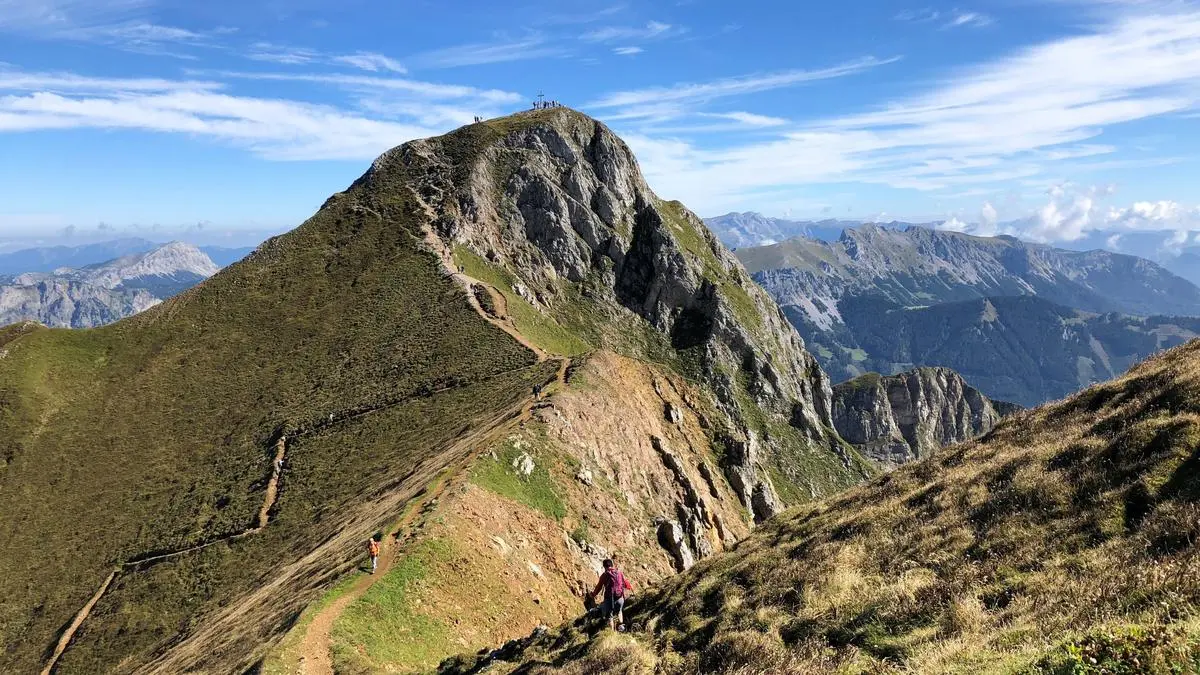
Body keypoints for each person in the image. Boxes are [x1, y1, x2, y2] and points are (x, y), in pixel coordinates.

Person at [589, 558, 633, 631]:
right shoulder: (619, 572)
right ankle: (621, 628)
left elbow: (599, 587)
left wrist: (593, 594)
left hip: (609, 599)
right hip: (620, 597)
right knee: (619, 611)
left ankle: (612, 633)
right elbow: (625, 582)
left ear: (604, 567)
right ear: (612, 565)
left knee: (610, 616)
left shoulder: (604, 575)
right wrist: (630, 587)